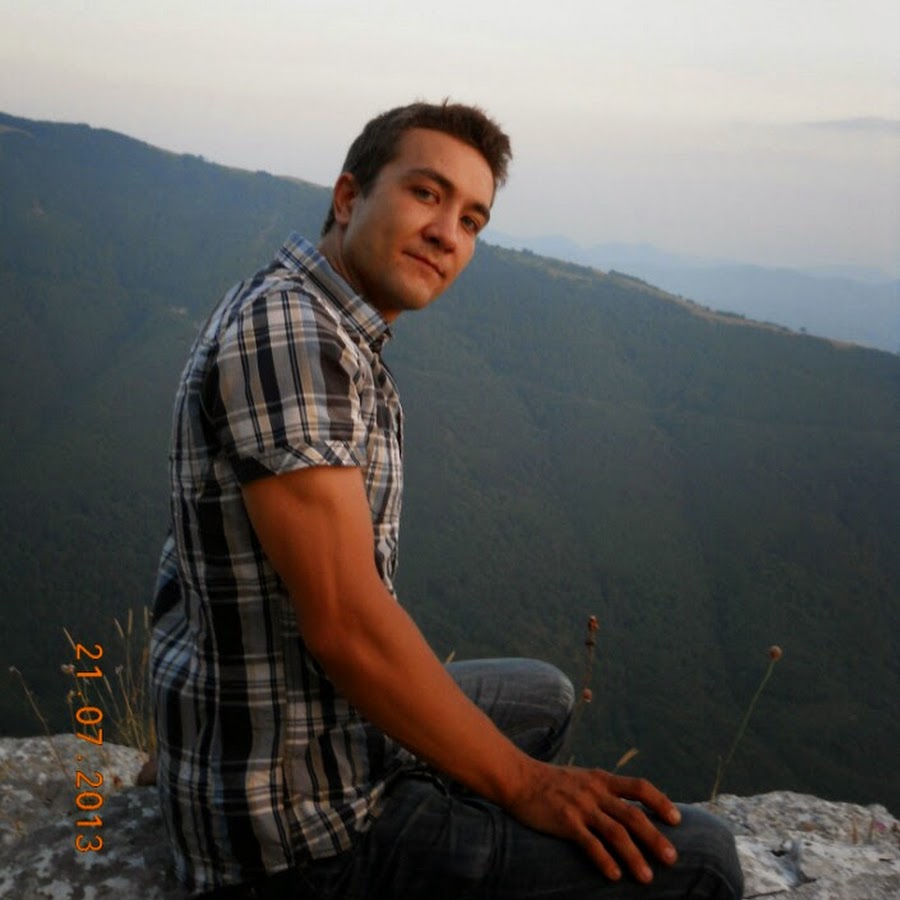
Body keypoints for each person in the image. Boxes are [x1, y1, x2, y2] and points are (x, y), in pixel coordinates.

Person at [150, 100, 743, 900]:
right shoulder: (293, 334)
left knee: (544, 696)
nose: (447, 234)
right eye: (426, 194)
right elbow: (345, 624)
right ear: (349, 196)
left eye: (471, 220)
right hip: (296, 836)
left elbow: (194, 561)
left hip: (295, 730)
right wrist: (527, 786)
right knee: (701, 860)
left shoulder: (317, 317)